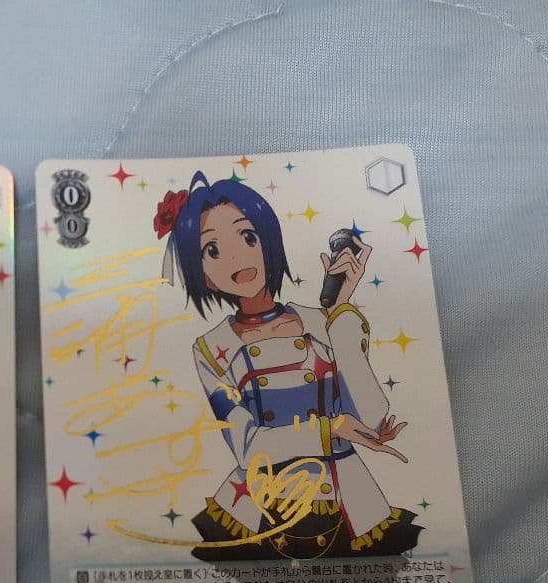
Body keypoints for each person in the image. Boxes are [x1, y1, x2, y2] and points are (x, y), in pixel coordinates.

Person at [155, 173, 421, 562]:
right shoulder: (212, 349)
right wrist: (331, 430)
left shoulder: (325, 322)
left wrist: (340, 309)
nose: (237, 258)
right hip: (257, 508)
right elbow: (248, 447)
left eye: (248, 237)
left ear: (270, 242)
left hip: (348, 502)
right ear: (203, 276)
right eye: (213, 249)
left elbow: (372, 414)